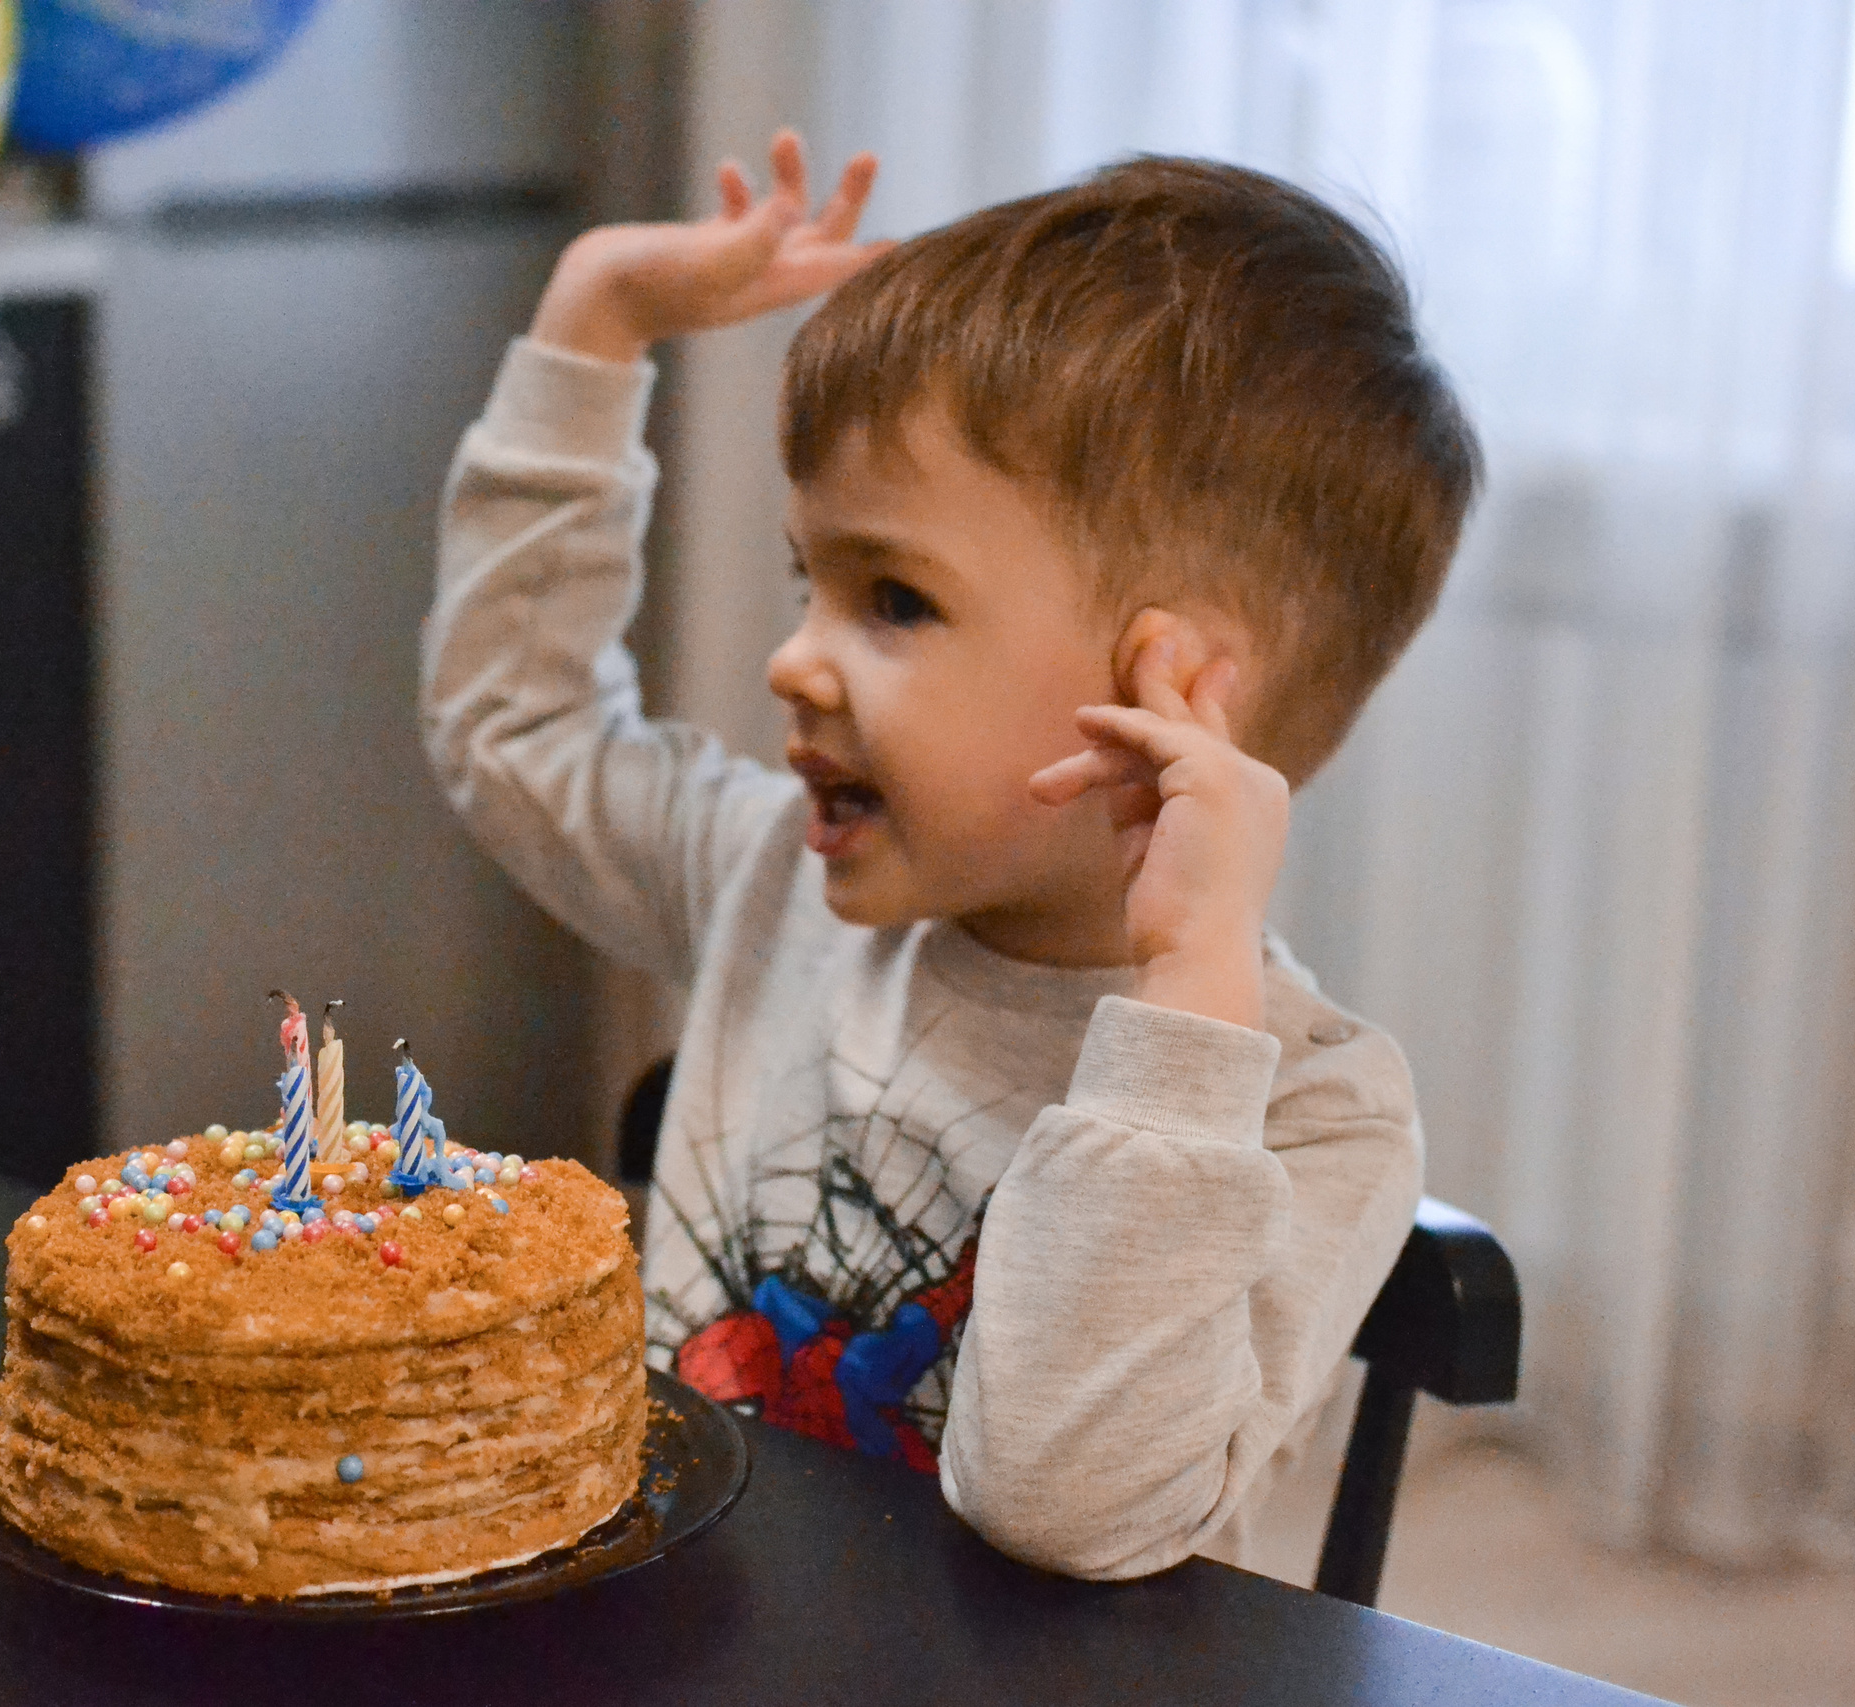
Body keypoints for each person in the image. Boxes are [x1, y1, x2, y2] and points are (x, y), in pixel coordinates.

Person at [420, 132, 1481, 1579]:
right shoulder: (775, 883)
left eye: (896, 599)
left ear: (1169, 695)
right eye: (813, 581)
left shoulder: (1310, 1113)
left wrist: (1185, 998)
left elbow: (1064, 1503)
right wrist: (592, 325)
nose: (794, 660)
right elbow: (517, 731)